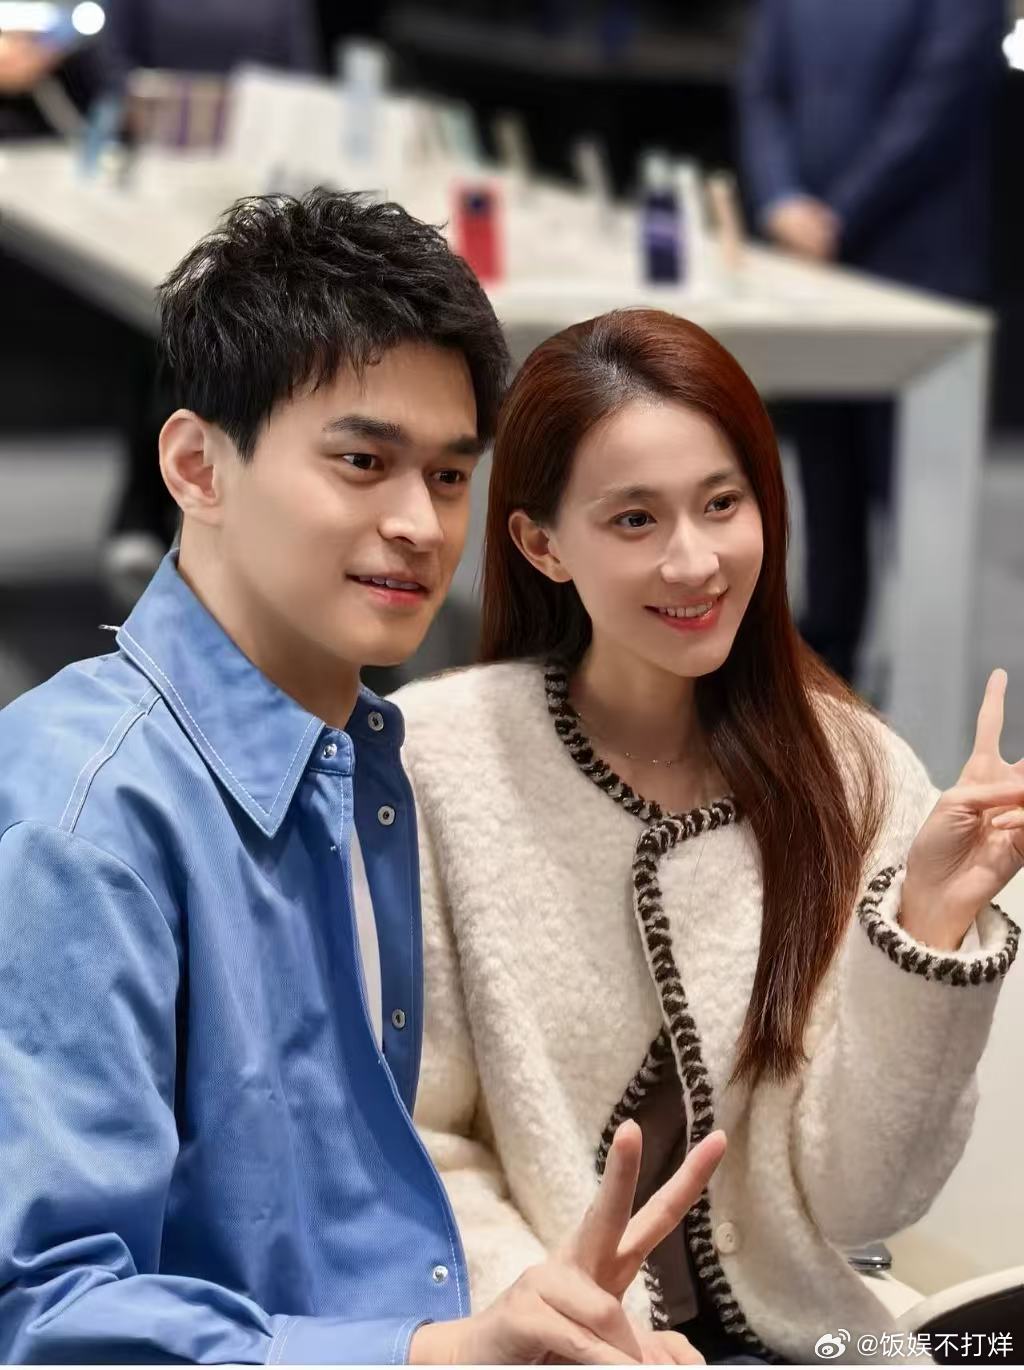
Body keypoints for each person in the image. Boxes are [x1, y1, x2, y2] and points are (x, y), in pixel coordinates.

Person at [0, 194, 717, 1364]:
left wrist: (538, 1327)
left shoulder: (367, 757)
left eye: (449, 475)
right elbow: (46, 1320)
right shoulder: (84, 821)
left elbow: (353, 1223)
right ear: (196, 465)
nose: (420, 523)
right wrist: (436, 1355)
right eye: (362, 461)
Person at [392, 309, 1024, 1364]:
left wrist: (928, 928)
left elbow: (864, 1202)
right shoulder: (438, 763)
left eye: (722, 503)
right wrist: (571, 1322)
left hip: (815, 1339)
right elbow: (423, 1143)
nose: (694, 560)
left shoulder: (857, 770)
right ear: (542, 544)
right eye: (635, 519)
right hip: (543, 1343)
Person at [737, 0, 1006, 684]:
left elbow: (937, 106)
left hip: (920, 267)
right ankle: (824, 676)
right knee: (825, 484)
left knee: (921, 497)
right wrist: (781, 199)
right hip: (814, 270)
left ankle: (926, 688)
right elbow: (762, 90)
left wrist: (836, 215)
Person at [101, 0, 325, 591]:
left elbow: (304, 86)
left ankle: (221, 521)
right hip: (160, 187)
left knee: (243, 343)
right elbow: (112, 68)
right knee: (163, 330)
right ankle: (145, 511)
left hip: (258, 189)